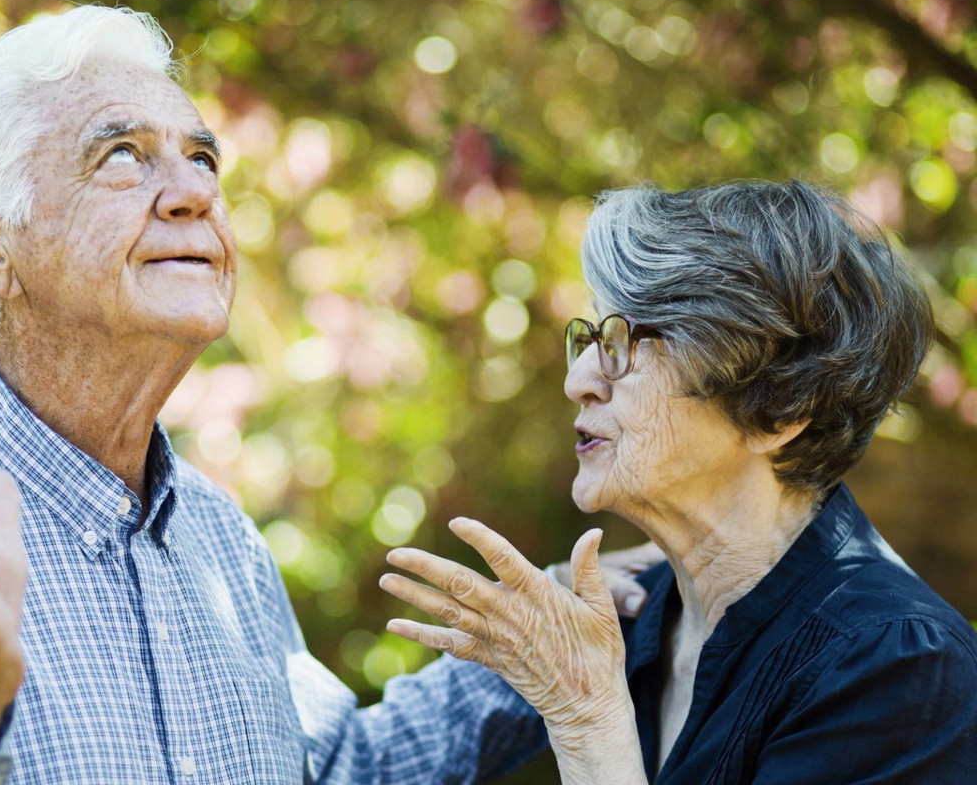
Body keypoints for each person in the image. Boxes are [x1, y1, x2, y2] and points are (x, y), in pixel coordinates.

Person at [0, 5, 571, 784]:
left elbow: (338, 771)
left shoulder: (221, 542)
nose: (192, 193)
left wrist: (562, 616)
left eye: (203, 159)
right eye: (122, 155)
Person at [381, 181, 977, 783]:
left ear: (778, 409)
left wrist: (585, 720)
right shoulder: (634, 616)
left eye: (624, 341)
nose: (580, 379)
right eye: (588, 339)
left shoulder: (897, 666)